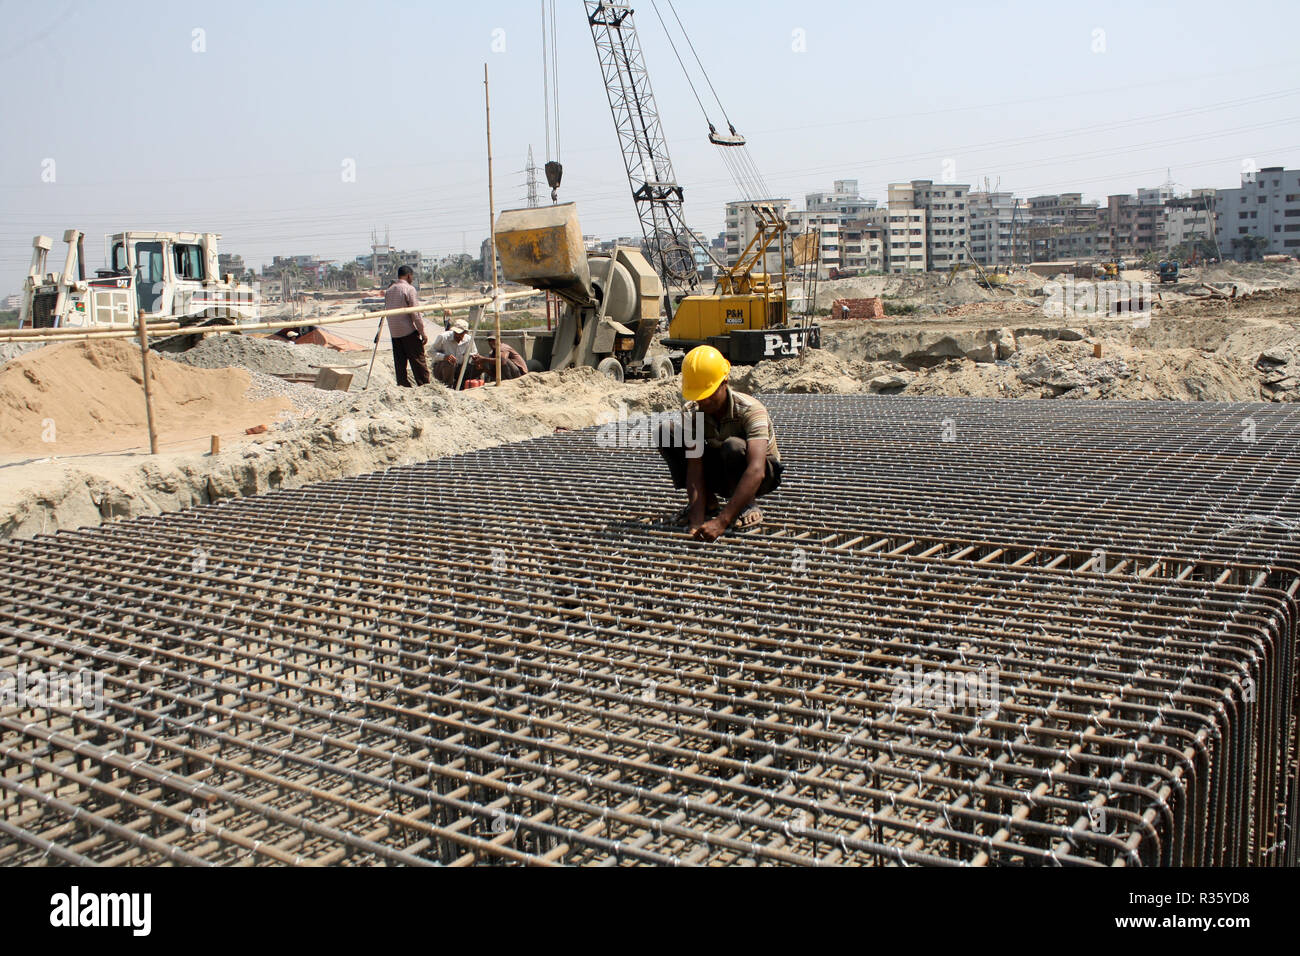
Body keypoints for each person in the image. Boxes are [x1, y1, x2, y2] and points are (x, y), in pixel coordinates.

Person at [657, 345, 783, 541]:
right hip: (722, 470)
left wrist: (721, 522)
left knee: (733, 446)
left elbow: (757, 469)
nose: (704, 401)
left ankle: (747, 504)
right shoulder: (693, 412)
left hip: (760, 476)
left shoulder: (751, 410)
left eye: (709, 393)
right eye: (700, 396)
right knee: (667, 431)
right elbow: (695, 465)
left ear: (725, 382)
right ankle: (707, 502)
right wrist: (697, 522)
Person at [384, 266, 429, 387]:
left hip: (394, 333)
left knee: (400, 365)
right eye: (412, 276)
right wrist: (422, 332)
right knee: (418, 362)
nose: (412, 279)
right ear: (409, 275)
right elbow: (415, 313)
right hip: (408, 331)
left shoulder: (389, 290)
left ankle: (403, 387)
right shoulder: (409, 289)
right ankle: (425, 387)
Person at [430, 318, 479, 388]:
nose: (457, 335)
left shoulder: (469, 340)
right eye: (456, 333)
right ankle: (447, 386)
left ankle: (463, 384)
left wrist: (475, 359)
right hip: (442, 369)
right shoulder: (443, 337)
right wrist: (444, 357)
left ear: (465, 332)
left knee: (480, 363)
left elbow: (474, 353)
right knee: (449, 362)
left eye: (460, 333)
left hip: (460, 368)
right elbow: (430, 352)